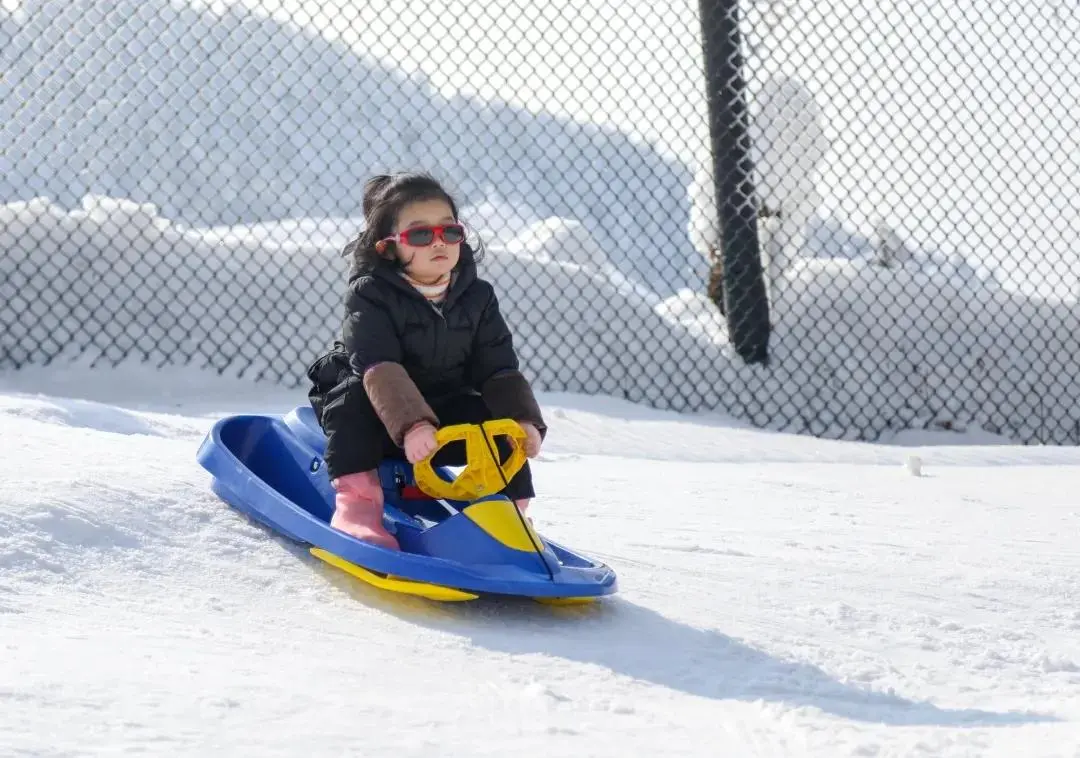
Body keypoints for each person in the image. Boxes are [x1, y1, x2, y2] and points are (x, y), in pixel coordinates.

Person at [305, 172, 547, 551]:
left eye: (449, 232)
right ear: (388, 248)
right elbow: (379, 365)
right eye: (420, 235)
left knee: (495, 425)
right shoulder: (369, 294)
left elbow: (498, 366)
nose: (439, 242)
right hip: (380, 410)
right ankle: (358, 507)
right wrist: (413, 425)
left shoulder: (478, 297)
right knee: (351, 400)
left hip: (443, 409)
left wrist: (522, 421)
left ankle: (508, 515)